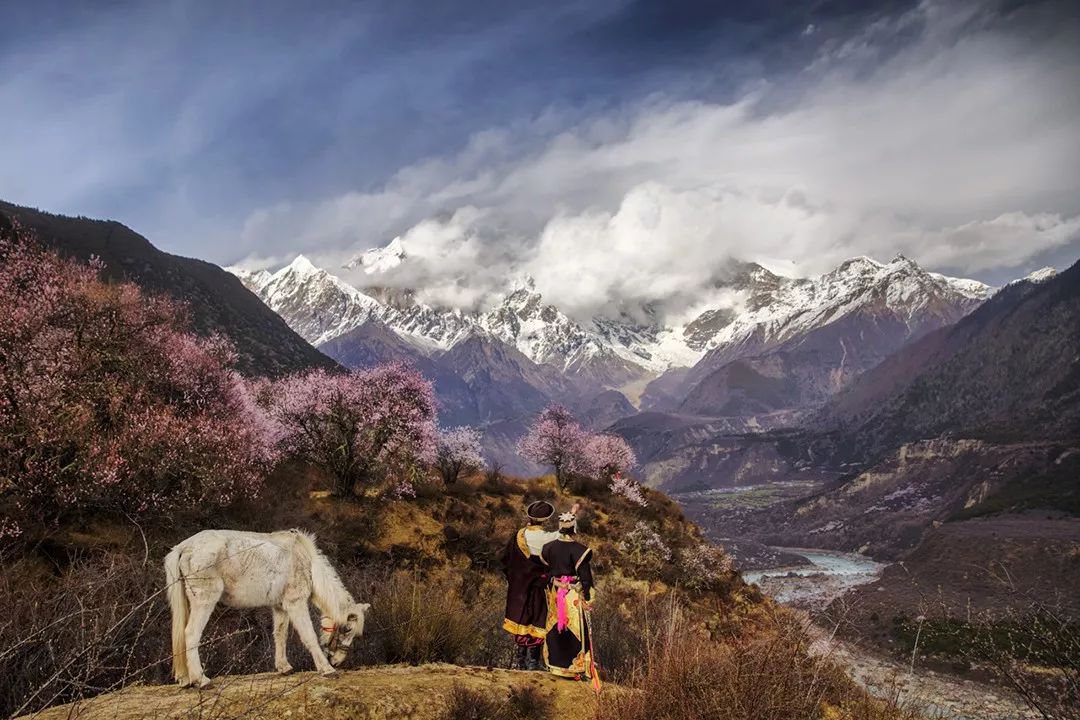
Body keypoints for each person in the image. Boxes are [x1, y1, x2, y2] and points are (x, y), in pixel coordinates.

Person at [500, 500, 578, 670]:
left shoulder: (519, 535)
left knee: (522, 619)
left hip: (519, 586)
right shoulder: (545, 538)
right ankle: (533, 662)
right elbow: (564, 532)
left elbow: (505, 560)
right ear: (545, 520)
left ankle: (519, 661)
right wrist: (572, 513)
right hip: (538, 585)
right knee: (538, 620)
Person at [540, 511, 597, 682]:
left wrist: (554, 583)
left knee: (555, 626)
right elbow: (586, 578)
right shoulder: (580, 551)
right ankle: (576, 668)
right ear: (574, 528)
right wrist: (588, 595)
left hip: (555, 593)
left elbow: (546, 572)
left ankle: (555, 665)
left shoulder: (548, 548)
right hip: (572, 593)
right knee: (576, 629)